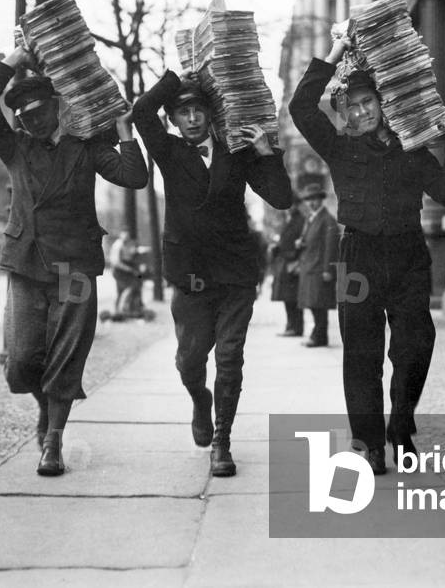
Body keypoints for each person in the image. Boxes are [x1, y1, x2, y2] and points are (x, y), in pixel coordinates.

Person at [289, 38, 445, 475]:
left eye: (366, 102)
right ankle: (370, 443)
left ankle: (401, 424)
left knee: (414, 346)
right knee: (362, 353)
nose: (359, 113)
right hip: (358, 258)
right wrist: (332, 56)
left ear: (382, 103)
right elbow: (300, 107)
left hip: (408, 254)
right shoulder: (338, 147)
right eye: (349, 107)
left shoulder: (411, 149)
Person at [0, 45, 148, 477]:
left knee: (67, 354)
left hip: (76, 266)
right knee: (21, 363)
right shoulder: (14, 148)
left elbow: (134, 177)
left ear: (56, 105)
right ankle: (46, 411)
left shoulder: (85, 146)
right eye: (23, 112)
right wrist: (14, 59)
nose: (30, 117)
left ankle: (53, 442)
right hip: (26, 262)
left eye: (38, 109)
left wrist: (124, 132)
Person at [132, 71, 292, 477]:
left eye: (198, 110)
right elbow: (140, 110)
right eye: (182, 112)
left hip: (235, 274)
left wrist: (265, 153)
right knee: (190, 362)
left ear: (211, 114)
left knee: (229, 359)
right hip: (191, 277)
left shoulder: (235, 152)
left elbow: (281, 197)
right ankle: (201, 402)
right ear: (173, 119)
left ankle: (222, 441)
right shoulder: (166, 151)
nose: (191, 119)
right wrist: (177, 78)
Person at [295, 179, 339, 348]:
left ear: (321, 199)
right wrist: (301, 242)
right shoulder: (311, 219)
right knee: (313, 304)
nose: (311, 202)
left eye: (314, 199)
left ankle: (320, 337)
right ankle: (317, 335)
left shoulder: (327, 219)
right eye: (309, 199)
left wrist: (328, 269)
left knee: (319, 305)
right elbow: (310, 239)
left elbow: (330, 246)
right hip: (310, 268)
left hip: (319, 268)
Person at [270, 202, 304, 337]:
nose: (288, 208)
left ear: (296, 206)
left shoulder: (300, 220)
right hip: (285, 262)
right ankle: (290, 326)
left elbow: (301, 243)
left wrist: (296, 259)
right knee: (287, 297)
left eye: (291, 205)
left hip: (293, 263)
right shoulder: (288, 220)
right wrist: (277, 247)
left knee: (293, 298)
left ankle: (296, 328)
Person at [108, 230, 141, 316]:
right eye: (125, 235)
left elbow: (127, 256)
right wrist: (129, 269)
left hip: (122, 270)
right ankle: (121, 309)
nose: (127, 237)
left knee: (122, 290)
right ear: (121, 235)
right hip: (119, 270)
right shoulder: (118, 245)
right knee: (128, 287)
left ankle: (118, 310)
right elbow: (116, 262)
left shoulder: (125, 244)